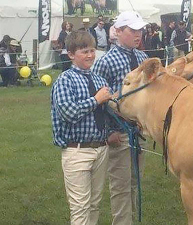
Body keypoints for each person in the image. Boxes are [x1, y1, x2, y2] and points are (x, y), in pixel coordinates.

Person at [92, 11, 148, 225]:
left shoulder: (143, 58)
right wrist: (109, 131)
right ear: (118, 31)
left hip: (139, 131)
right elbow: (98, 100)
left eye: (140, 30)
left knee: (135, 183)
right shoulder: (106, 61)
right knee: (121, 187)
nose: (138, 34)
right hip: (119, 132)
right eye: (132, 30)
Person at [51, 30, 112, 225]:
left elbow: (107, 113)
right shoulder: (64, 80)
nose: (90, 55)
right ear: (71, 54)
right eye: (84, 51)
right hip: (76, 151)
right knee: (80, 207)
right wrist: (96, 99)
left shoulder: (100, 80)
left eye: (92, 50)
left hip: (101, 149)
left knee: (95, 204)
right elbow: (69, 113)